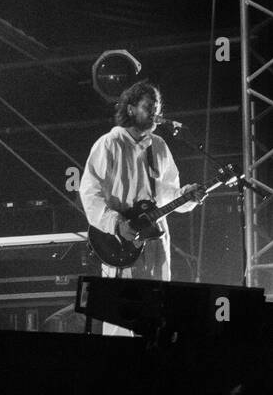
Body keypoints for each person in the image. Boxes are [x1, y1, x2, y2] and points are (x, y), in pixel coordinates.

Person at [79, 81, 203, 334]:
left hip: (155, 242)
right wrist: (115, 223)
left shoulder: (158, 146)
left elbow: (168, 194)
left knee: (156, 316)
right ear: (131, 108)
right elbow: (90, 193)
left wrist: (186, 196)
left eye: (157, 107)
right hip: (121, 242)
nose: (156, 112)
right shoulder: (109, 144)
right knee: (121, 320)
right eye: (149, 107)